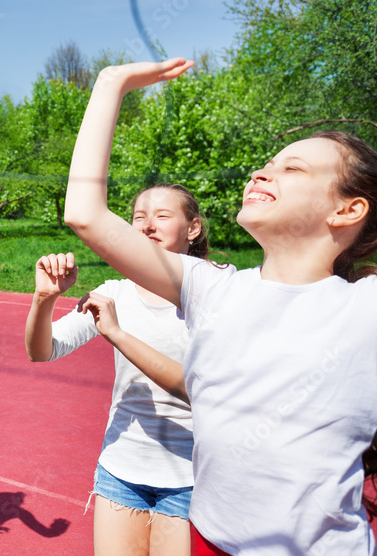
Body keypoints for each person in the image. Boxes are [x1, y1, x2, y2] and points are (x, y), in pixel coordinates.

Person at [63, 58, 377, 555]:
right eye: (267, 164)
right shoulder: (211, 287)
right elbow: (84, 214)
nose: (261, 171)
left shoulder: (365, 306)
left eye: (291, 168)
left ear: (347, 209)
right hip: (212, 540)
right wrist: (110, 83)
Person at [25, 183, 209, 555]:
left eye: (161, 216)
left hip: (191, 478)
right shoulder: (118, 293)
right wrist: (45, 299)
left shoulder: (216, 295)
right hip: (120, 473)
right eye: (139, 217)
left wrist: (117, 333)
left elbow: (203, 390)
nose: (147, 226)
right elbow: (42, 350)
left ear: (193, 228)